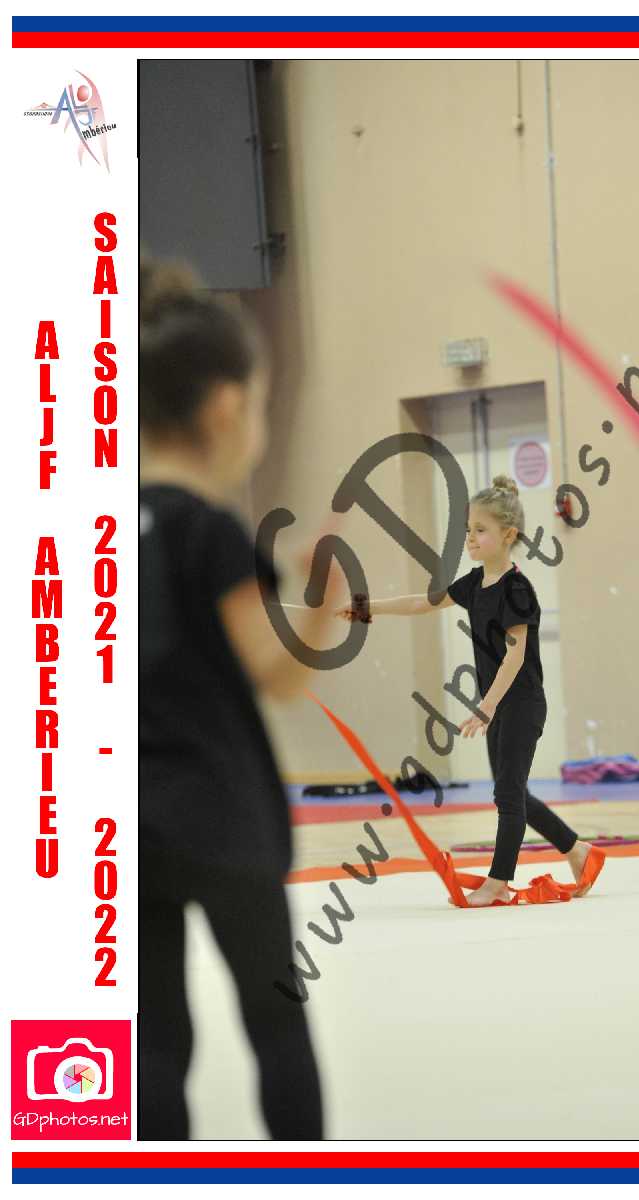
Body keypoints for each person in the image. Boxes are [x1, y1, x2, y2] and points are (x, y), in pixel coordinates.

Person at [139, 262, 341, 1138]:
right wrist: (323, 609)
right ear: (227, 408)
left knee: (153, 1038)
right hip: (221, 816)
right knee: (275, 1022)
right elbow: (276, 674)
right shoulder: (210, 530)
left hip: (124, 822)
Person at [337, 474, 603, 907]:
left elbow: (514, 656)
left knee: (508, 795)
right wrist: (368, 607)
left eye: (480, 530)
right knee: (512, 792)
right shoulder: (474, 583)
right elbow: (423, 602)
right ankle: (577, 850)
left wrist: (486, 707)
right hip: (498, 706)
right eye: (468, 530)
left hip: (521, 703)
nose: (470, 538)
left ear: (508, 535)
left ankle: (498, 883)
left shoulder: (517, 589)